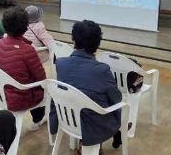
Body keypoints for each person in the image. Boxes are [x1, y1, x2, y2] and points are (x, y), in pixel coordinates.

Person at [50, 20, 125, 148]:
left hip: (66, 118)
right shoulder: (102, 70)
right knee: (111, 105)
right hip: (92, 125)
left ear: (74, 40)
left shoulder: (61, 63)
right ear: (97, 43)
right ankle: (118, 130)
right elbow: (116, 98)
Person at [0, 7, 47, 129]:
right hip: (19, 99)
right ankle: (37, 121)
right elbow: (41, 78)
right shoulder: (27, 49)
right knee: (46, 89)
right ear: (25, 27)